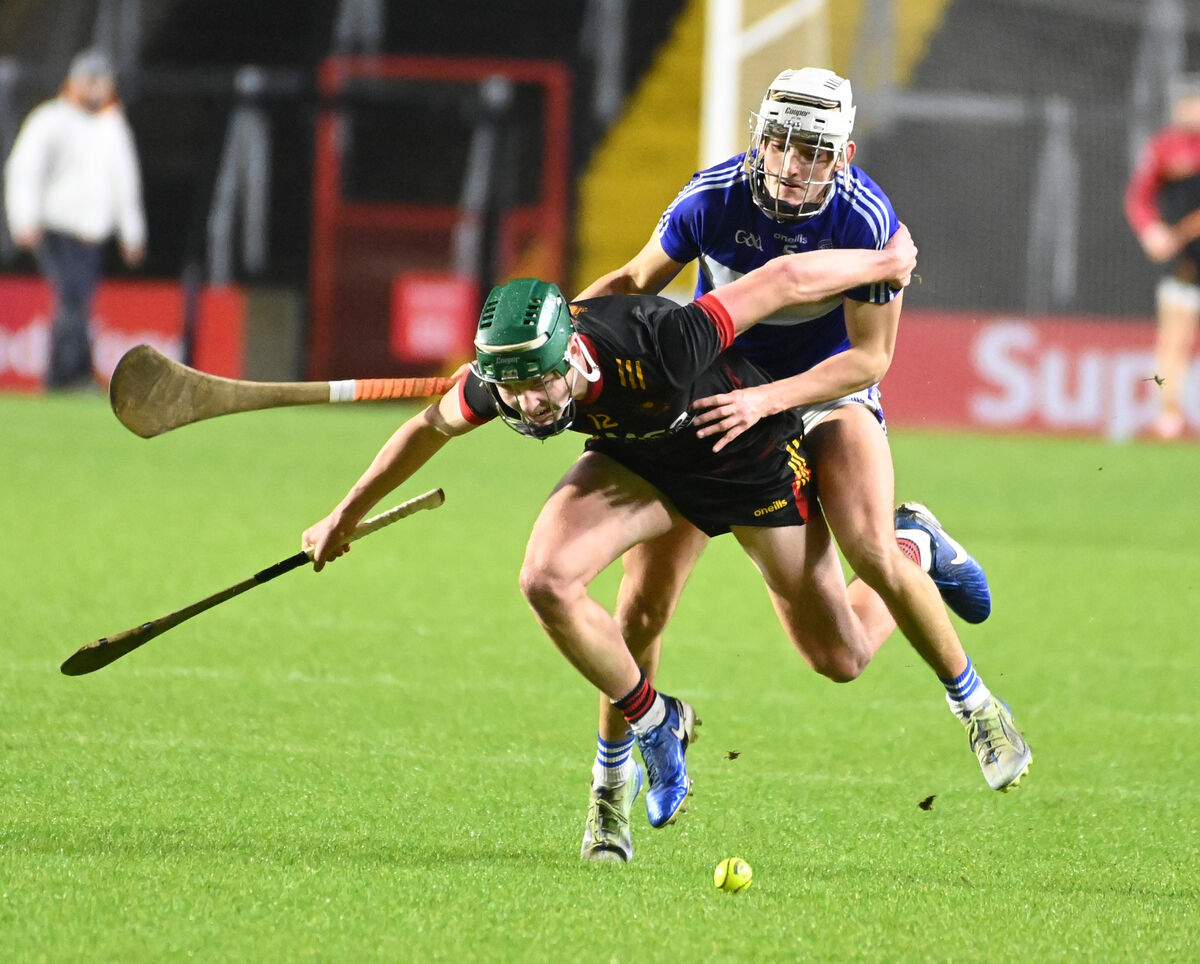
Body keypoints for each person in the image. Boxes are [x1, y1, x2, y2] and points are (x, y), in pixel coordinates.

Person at [304, 234, 1029, 861]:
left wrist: (884, 260)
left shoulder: (659, 339)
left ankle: (912, 545)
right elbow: (426, 429)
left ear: (570, 353)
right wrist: (342, 515)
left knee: (841, 655)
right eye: (513, 388)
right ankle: (630, 761)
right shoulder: (508, 379)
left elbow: (779, 282)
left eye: (538, 383)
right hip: (645, 465)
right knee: (556, 584)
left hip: (741, 452)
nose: (528, 403)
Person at [573, 67, 1028, 861]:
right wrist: (553, 347)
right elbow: (632, 286)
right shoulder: (713, 195)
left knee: (868, 552)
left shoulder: (868, 219)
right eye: (778, 141)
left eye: (812, 151)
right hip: (711, 397)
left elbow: (869, 361)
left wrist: (769, 400)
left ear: (843, 155)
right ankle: (608, 791)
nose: (789, 164)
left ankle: (976, 704)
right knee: (642, 613)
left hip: (819, 395)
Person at [4, 48, 146, 391]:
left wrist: (132, 231)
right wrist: (23, 218)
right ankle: (66, 376)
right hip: (56, 228)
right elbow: (24, 171)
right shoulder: (50, 119)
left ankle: (70, 375)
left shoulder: (111, 125)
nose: (98, 88)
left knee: (80, 302)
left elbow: (124, 181)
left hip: (92, 233)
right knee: (71, 301)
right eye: (91, 80)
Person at [1124, 74, 1200, 440]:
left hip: (1187, 246)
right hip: (1186, 260)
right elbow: (1139, 196)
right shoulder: (1165, 148)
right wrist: (1151, 231)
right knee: (1174, 337)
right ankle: (1169, 417)